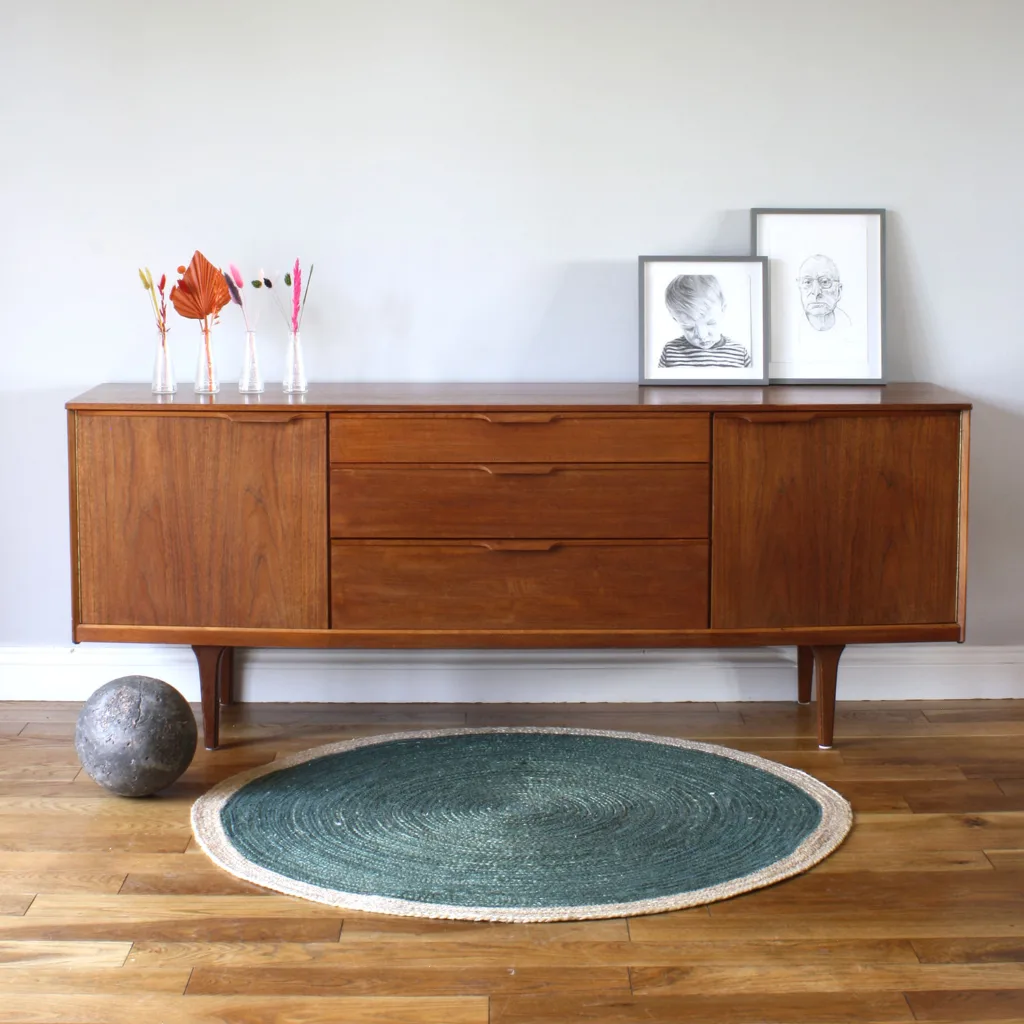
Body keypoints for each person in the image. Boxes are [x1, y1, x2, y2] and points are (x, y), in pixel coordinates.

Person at [658, 274, 751, 368]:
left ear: (723, 309)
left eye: (711, 323)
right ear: (675, 319)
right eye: (689, 328)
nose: (702, 336)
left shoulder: (739, 353)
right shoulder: (670, 351)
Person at [797, 255, 852, 332]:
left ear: (839, 291)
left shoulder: (849, 326)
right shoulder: (794, 329)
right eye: (807, 282)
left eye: (825, 282)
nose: (816, 292)